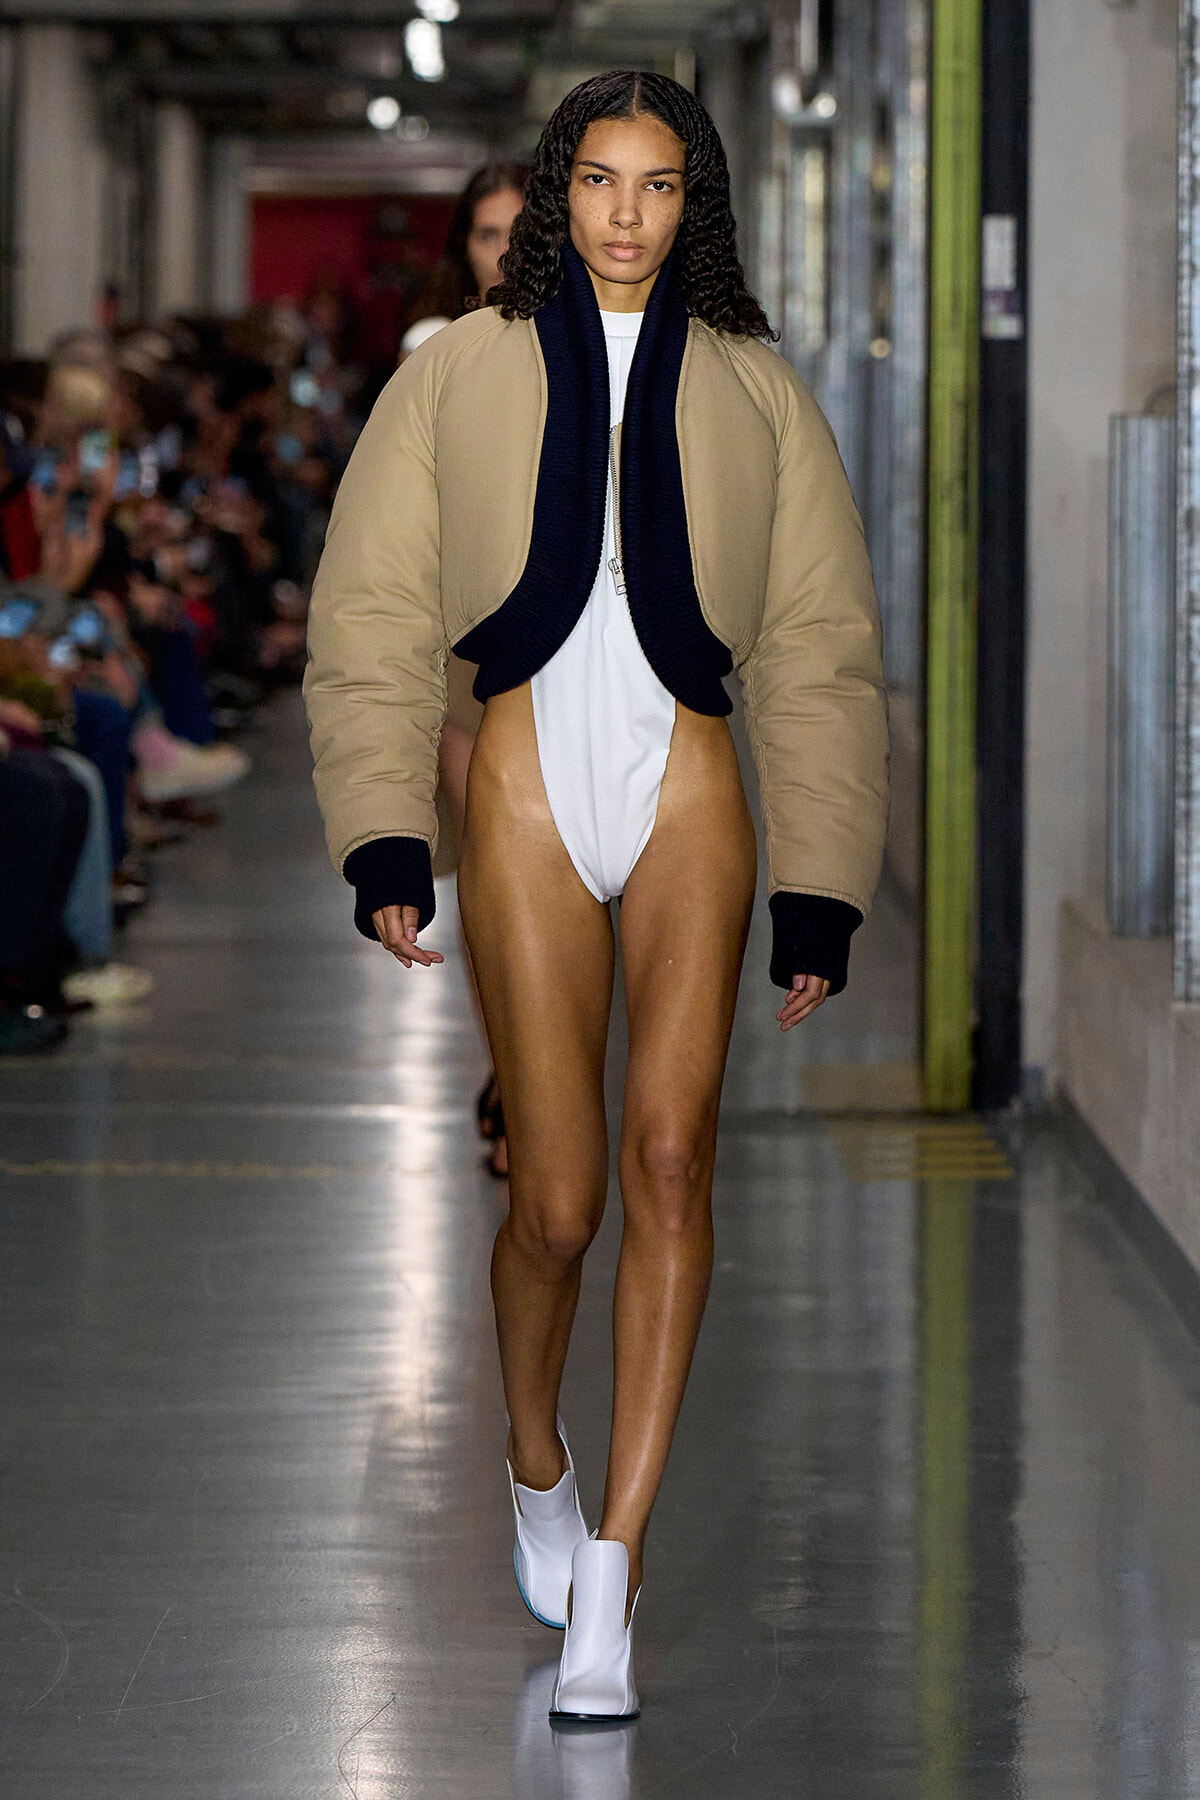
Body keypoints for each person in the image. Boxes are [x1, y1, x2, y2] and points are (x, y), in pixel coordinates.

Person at [305, 71, 889, 1721]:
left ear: (696, 202)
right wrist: (382, 836)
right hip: (524, 777)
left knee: (674, 1160)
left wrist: (823, 885)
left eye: (659, 184)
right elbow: (370, 610)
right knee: (556, 1203)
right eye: (599, 181)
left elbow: (821, 645)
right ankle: (537, 1460)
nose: (626, 213)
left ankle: (615, 1570)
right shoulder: (456, 375)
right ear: (560, 193)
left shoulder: (759, 387)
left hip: (688, 776)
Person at [401, 162, 531, 1178]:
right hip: (465, 651)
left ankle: (544, 1080)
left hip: (589, 652)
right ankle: (519, 1087)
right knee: (496, 883)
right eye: (488, 234)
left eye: (524, 231)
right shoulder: (434, 360)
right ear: (465, 251)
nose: (508, 252)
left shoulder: (614, 350)